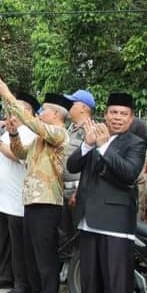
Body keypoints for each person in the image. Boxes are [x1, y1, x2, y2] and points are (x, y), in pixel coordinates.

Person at [57, 93, 146, 293]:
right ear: (105, 114)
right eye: (113, 113)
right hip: (88, 215)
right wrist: (87, 144)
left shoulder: (135, 143)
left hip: (116, 220)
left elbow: (128, 174)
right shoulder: (94, 137)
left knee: (117, 280)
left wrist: (105, 147)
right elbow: (73, 166)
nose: (117, 118)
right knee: (89, 273)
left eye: (123, 114)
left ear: (131, 117)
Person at [0, 79, 70, 293]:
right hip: (31, 199)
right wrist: (13, 133)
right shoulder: (39, 140)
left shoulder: (58, 134)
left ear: (56, 114)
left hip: (48, 201)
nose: (41, 113)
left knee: (45, 252)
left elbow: (33, 123)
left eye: (45, 110)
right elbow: (19, 153)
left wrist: (8, 96)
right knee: (31, 250)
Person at [0, 92, 38, 293]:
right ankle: (3, 276)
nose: (12, 114)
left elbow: (17, 156)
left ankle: (21, 284)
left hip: (17, 199)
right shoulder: (6, 133)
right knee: (2, 241)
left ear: (28, 112)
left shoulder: (31, 134)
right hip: (0, 198)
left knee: (18, 245)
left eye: (17, 109)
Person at [60, 89, 95, 278]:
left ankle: (77, 271)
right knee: (64, 232)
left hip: (77, 191)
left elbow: (90, 164)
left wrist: (80, 190)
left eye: (72, 104)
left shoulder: (90, 130)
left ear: (83, 108)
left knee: (77, 232)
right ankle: (66, 264)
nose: (69, 107)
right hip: (62, 189)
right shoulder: (69, 129)